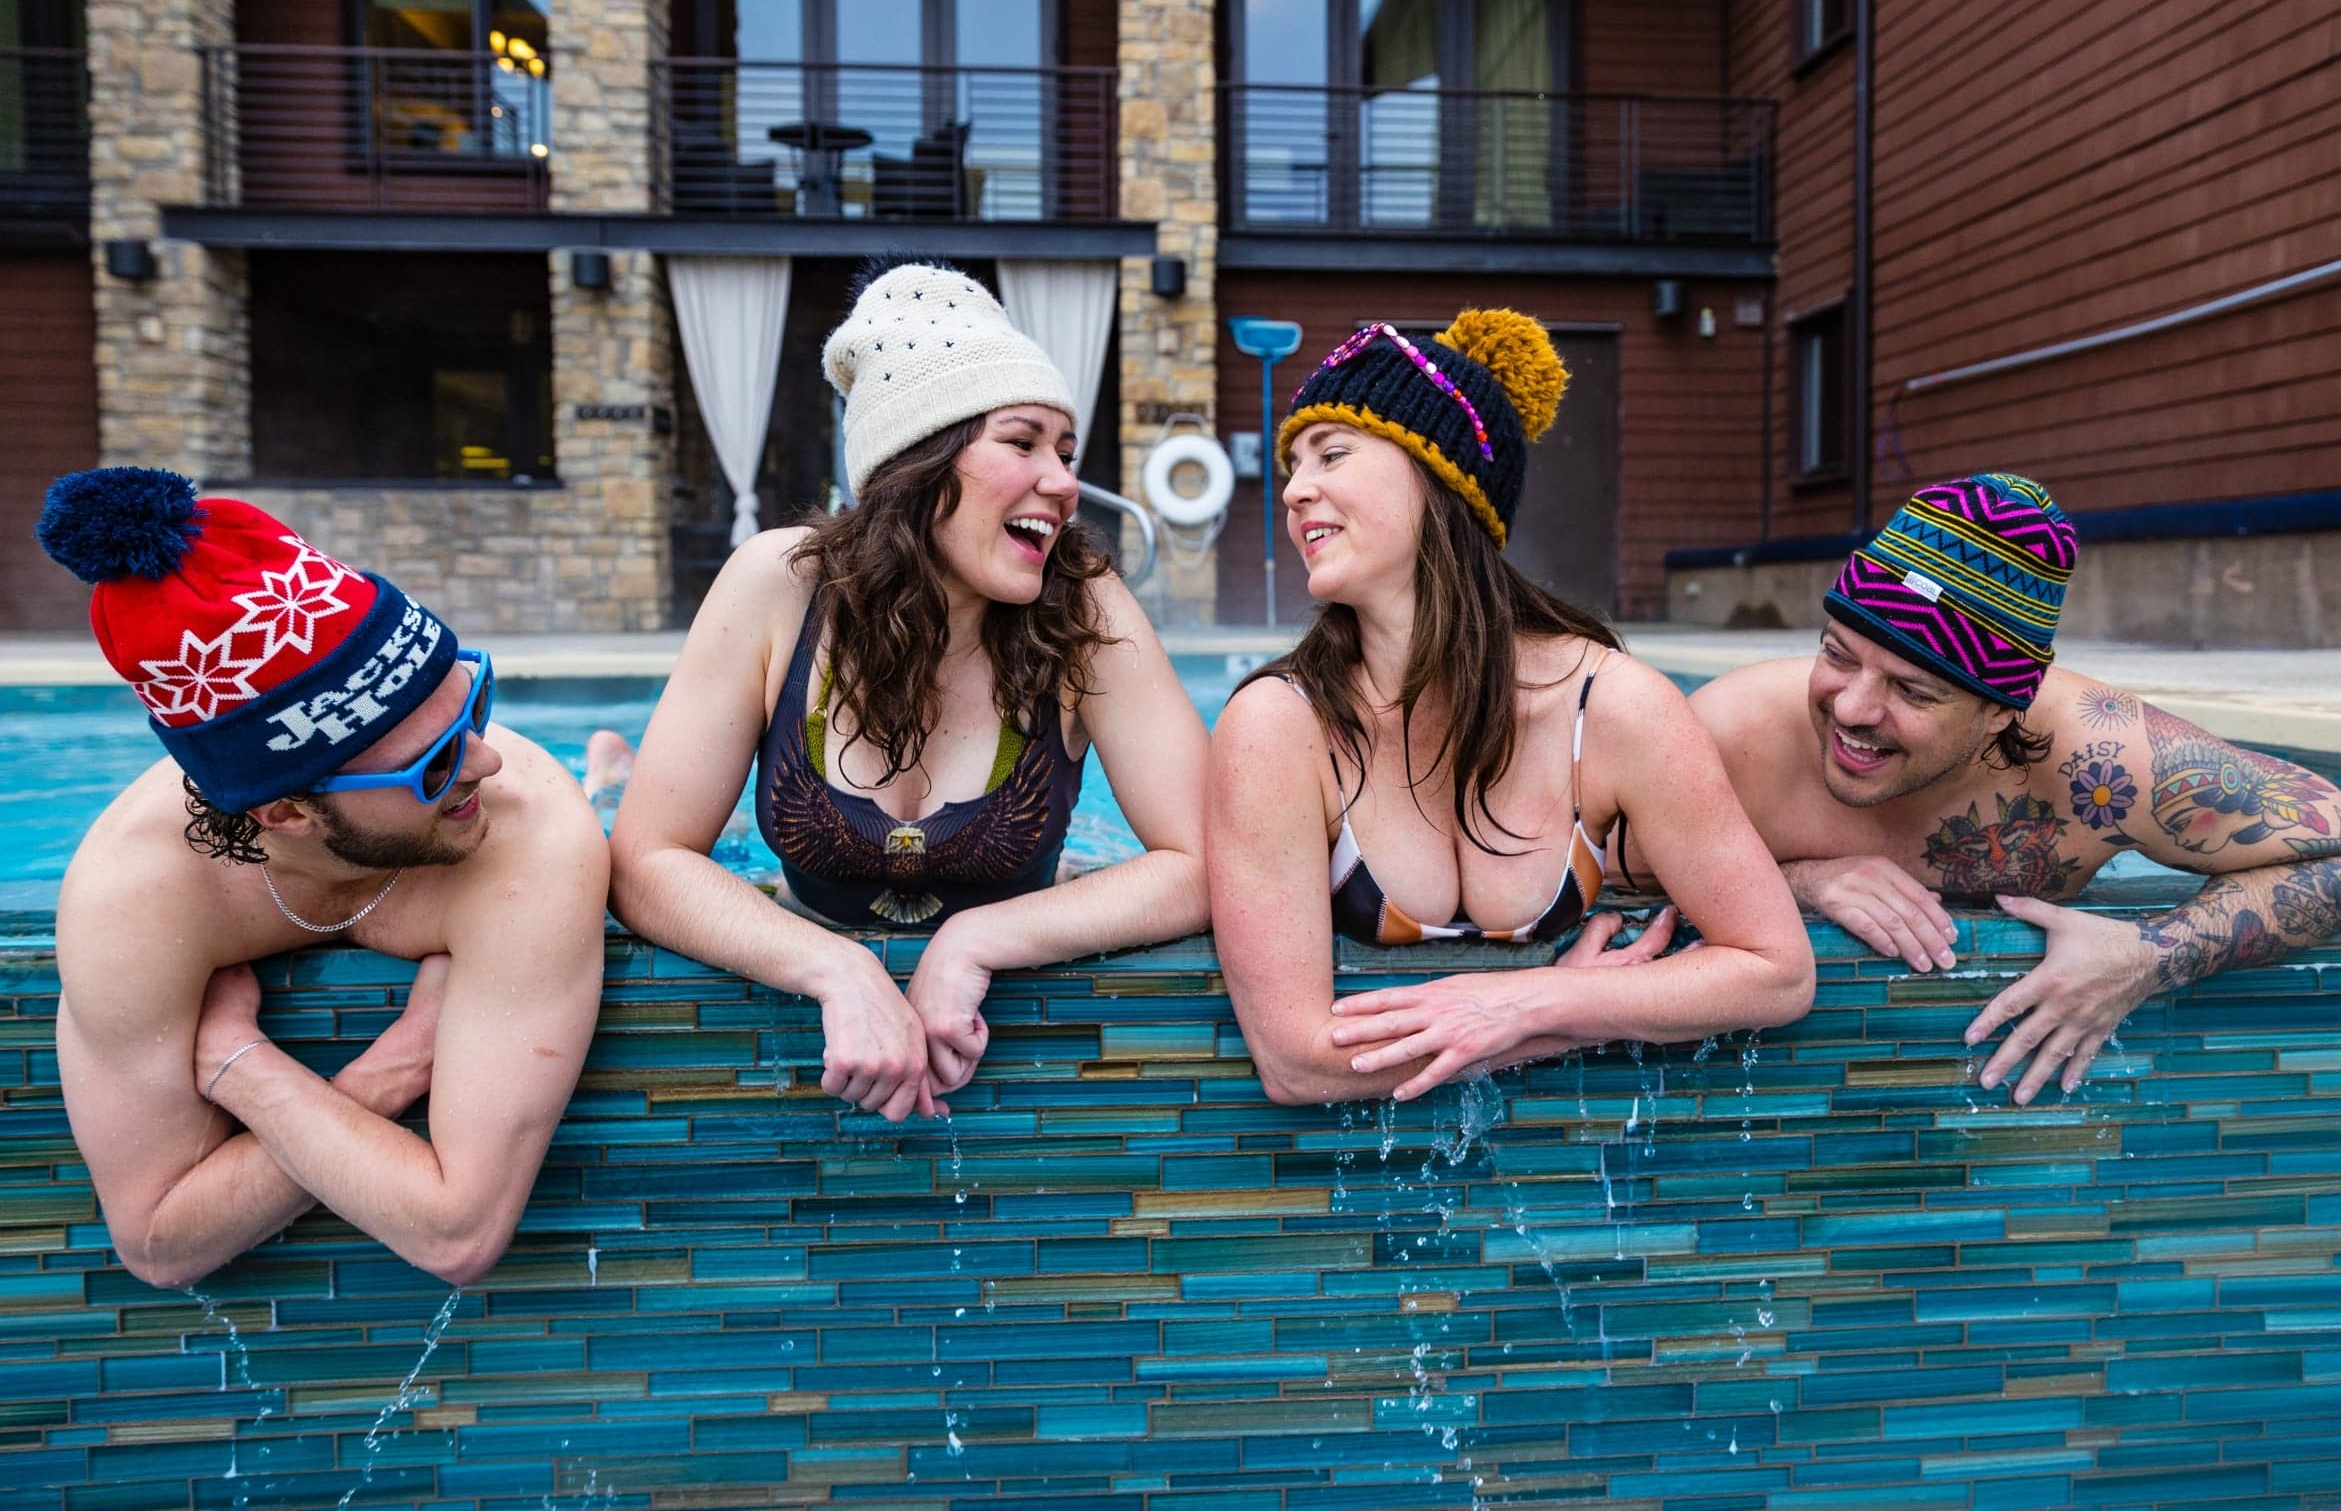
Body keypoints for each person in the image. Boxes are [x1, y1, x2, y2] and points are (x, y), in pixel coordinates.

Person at [608, 260, 1209, 1122]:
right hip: (802, 911)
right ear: (920, 458)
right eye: (1023, 441)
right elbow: (646, 859)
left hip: (1028, 905)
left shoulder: (1084, 607)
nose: (1066, 480)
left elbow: (1202, 860)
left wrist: (976, 938)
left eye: (1067, 451)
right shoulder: (779, 587)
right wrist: (832, 965)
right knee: (607, 799)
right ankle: (609, 764)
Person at [1209, 312, 1815, 1106]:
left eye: (1332, 453)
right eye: (1293, 465)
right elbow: (1297, 1060)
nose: (1293, 490)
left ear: (1441, 477)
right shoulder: (1280, 728)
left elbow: (1777, 971)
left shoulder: (1610, 707)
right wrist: (1542, 1022)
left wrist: (1547, 1000)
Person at [1652, 472, 2341, 1106]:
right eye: (1837, 655)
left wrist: (2148, 954)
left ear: (2003, 708)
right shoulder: (1731, 737)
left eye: (1912, 690)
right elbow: (1587, 879)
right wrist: (1801, 879)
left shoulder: (2102, 762)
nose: (1851, 708)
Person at [35, 469, 604, 1289]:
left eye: (473, 702)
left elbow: (464, 1230)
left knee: (587, 801)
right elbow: (159, 1242)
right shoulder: (135, 895)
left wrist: (239, 1066)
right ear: (285, 812)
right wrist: (384, 1069)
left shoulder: (527, 822)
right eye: (434, 764)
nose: (490, 757)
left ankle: (603, 775)